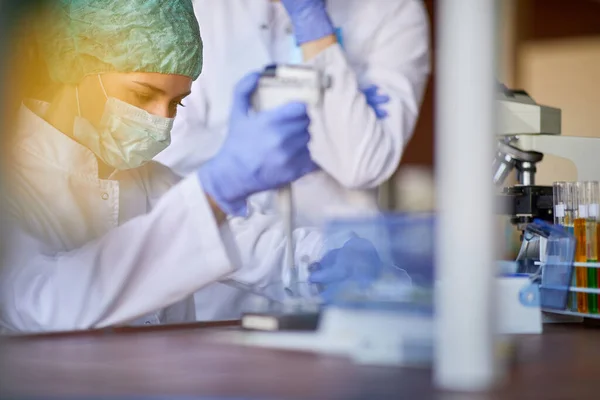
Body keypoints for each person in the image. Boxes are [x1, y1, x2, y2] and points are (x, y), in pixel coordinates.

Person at [0, 0, 374, 333]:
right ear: (74, 66)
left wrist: (330, 254)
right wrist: (216, 189)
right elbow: (48, 304)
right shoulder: (11, 183)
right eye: (142, 94)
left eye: (177, 102)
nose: (161, 119)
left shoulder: (149, 182)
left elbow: (261, 245)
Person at [154, 0, 431, 319]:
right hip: (216, 285)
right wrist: (328, 123)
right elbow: (168, 154)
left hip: (338, 270)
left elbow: (362, 164)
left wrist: (313, 26)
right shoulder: (201, 7)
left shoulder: (393, 10)